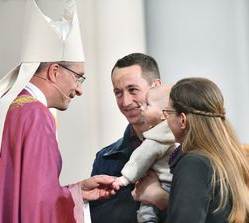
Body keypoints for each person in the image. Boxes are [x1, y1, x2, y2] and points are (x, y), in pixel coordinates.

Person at [0, 1, 118, 223]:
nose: (79, 89)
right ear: (55, 71)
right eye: (78, 77)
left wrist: (76, 192)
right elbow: (38, 210)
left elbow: (23, 198)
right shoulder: (36, 115)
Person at [90, 53, 164, 223]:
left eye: (133, 90)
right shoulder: (105, 159)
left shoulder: (187, 148)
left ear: (156, 87)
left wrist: (160, 198)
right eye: (118, 93)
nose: (125, 102)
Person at [163, 77, 249, 223]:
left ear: (183, 120)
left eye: (167, 112)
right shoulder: (232, 158)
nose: (164, 118)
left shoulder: (193, 165)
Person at [113, 85, 176, 223]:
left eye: (147, 105)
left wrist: (124, 179)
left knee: (146, 212)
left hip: (163, 182)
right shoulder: (175, 133)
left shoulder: (156, 138)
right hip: (174, 185)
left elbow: (139, 159)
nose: (142, 107)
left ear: (163, 113)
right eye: (118, 92)